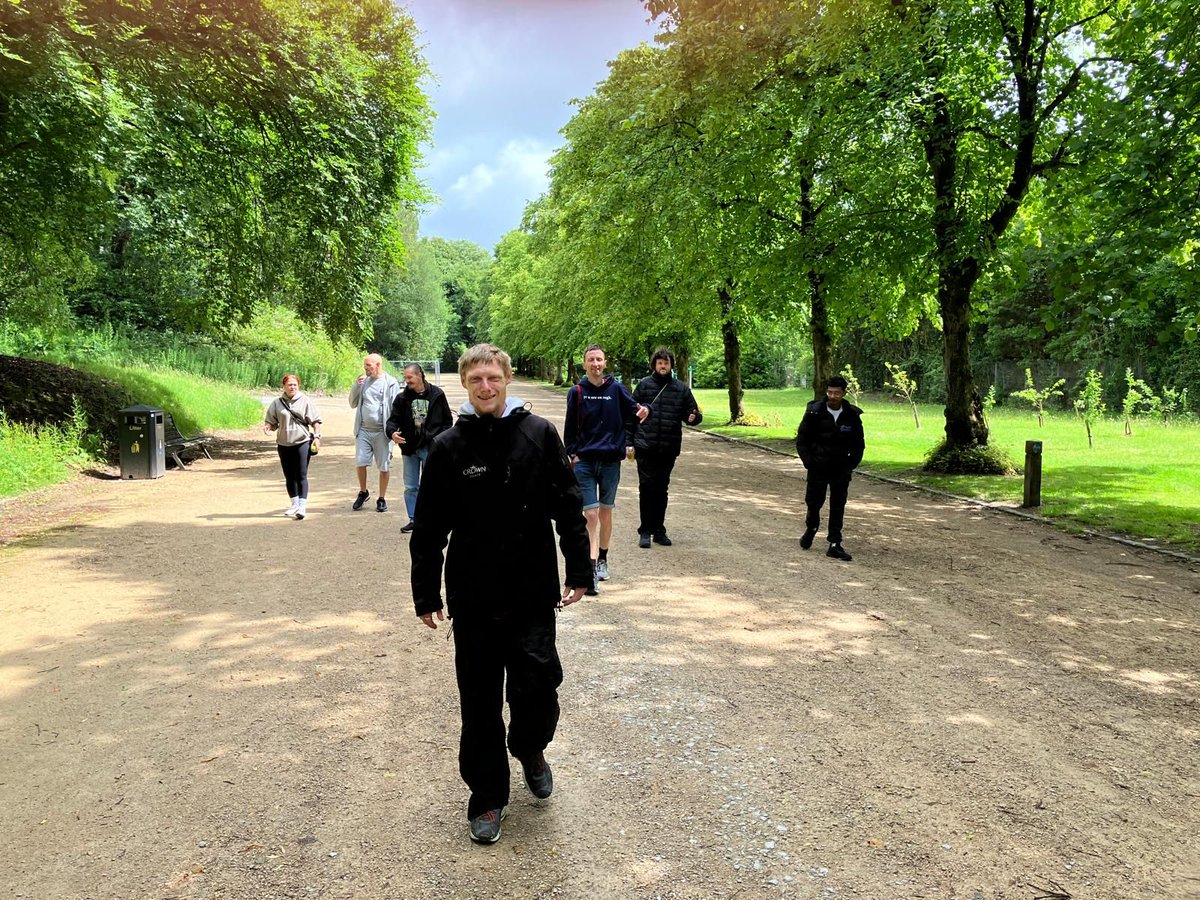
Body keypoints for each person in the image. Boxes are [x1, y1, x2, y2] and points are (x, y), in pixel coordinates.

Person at [410, 343, 593, 845]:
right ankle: (487, 797)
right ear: (465, 386)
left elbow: (569, 506)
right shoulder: (449, 447)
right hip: (473, 598)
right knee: (480, 704)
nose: (486, 388)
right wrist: (425, 592)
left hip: (533, 592)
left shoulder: (538, 434)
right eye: (476, 381)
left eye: (493, 378)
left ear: (507, 380)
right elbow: (428, 527)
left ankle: (530, 748)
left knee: (538, 689)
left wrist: (580, 569)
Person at [562, 345, 648, 591]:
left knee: (605, 513)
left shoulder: (617, 389)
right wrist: (572, 452)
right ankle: (589, 570)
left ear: (605, 363)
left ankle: (602, 559)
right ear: (584, 364)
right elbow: (569, 426)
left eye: (599, 359)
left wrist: (646, 410)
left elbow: (636, 411)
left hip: (610, 461)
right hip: (585, 462)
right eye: (591, 360)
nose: (595, 364)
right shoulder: (577, 391)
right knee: (589, 514)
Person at [629, 347, 703, 549]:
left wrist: (694, 417)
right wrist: (628, 442)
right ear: (654, 364)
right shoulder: (643, 386)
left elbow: (693, 413)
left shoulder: (681, 389)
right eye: (660, 363)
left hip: (668, 447)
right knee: (646, 487)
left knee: (661, 489)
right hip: (645, 446)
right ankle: (645, 530)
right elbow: (631, 416)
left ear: (671, 365)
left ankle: (659, 529)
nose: (663, 366)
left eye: (666, 363)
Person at [795, 375, 865, 561]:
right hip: (818, 466)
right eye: (830, 392)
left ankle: (835, 542)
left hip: (840, 468)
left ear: (843, 393)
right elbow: (802, 440)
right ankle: (812, 527)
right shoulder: (814, 412)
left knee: (838, 504)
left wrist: (851, 464)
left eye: (837, 393)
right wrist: (809, 462)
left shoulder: (851, 415)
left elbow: (859, 444)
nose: (833, 396)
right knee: (814, 502)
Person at [386, 363, 453, 533]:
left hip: (431, 447)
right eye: (405, 377)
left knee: (432, 484)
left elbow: (447, 421)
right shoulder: (402, 399)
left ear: (420, 375)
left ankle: (433, 518)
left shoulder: (437, 394)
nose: (406, 381)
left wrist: (439, 439)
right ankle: (414, 519)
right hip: (410, 448)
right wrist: (393, 433)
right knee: (410, 486)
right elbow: (392, 421)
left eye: (409, 377)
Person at [263, 374, 322, 520]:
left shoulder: (305, 401)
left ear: (298, 386)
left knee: (301, 474)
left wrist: (317, 437)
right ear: (283, 387)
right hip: (283, 443)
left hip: (302, 442)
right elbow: (272, 421)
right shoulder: (277, 403)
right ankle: (294, 504)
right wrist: (268, 427)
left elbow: (315, 421)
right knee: (289, 476)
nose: (292, 387)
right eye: (289, 385)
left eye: (295, 385)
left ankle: (302, 506)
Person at [349, 353, 401, 512]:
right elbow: (352, 403)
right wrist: (356, 386)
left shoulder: (390, 383)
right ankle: (363, 492)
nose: (365, 369)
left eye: (368, 366)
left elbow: (396, 408)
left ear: (378, 365)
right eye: (365, 366)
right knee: (360, 462)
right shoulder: (363, 382)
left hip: (382, 432)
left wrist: (394, 431)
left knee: (384, 466)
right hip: (363, 430)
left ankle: (381, 498)